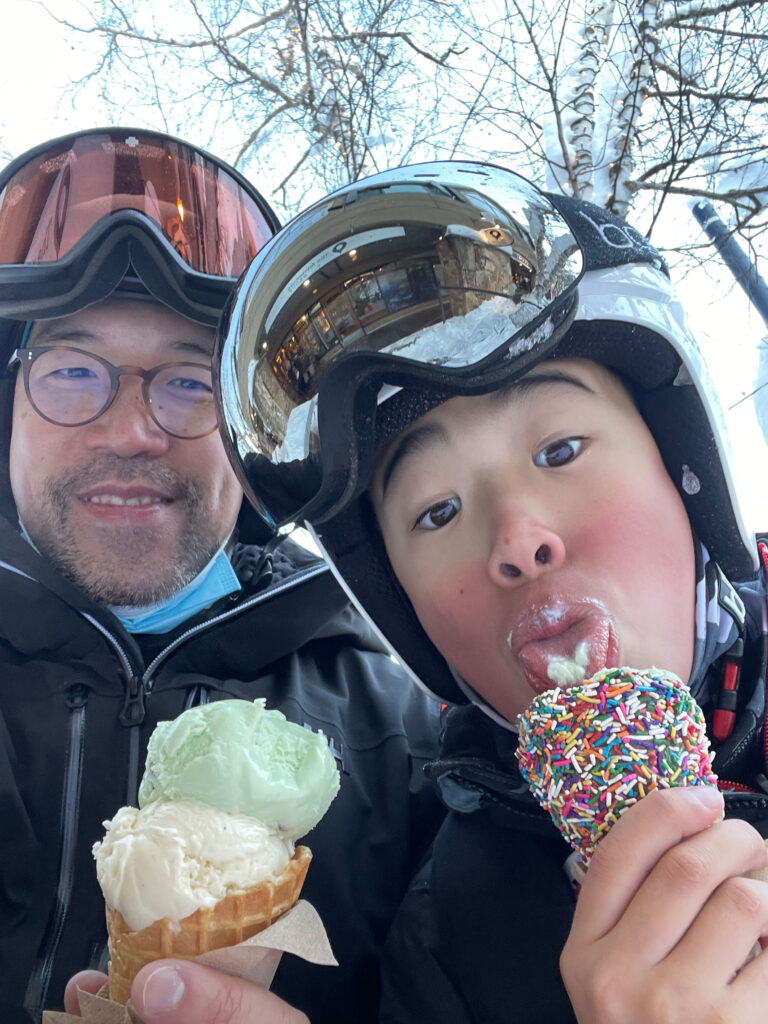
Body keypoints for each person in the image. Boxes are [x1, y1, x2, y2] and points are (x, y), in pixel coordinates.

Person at [216, 160, 768, 1023]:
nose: (517, 540)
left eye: (560, 452)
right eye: (437, 511)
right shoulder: (447, 937)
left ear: (683, 472)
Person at [0, 129, 443, 1024]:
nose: (129, 432)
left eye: (192, 384)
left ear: (254, 434)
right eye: (73, 370)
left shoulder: (410, 734)